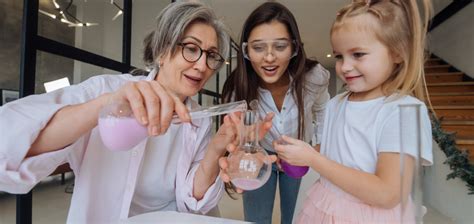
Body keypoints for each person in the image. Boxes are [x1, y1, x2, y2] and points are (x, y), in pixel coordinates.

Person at [0, 2, 240, 223]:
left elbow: (192, 201)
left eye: (211, 55)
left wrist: (217, 148)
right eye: (191, 48)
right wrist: (104, 107)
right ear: (161, 52)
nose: (201, 65)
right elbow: (7, 141)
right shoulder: (107, 91)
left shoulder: (198, 119)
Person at [273, 0, 434, 223]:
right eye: (339, 56)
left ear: (397, 53)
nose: (345, 66)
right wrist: (301, 155)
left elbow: (386, 194)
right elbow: (335, 150)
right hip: (324, 206)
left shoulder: (402, 111)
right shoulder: (336, 103)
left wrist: (314, 159)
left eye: (358, 54)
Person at [220, 2, 330, 224]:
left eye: (280, 46)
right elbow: (233, 137)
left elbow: (323, 114)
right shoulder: (237, 88)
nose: (269, 58)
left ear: (294, 47)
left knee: (298, 217)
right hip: (258, 158)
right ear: (246, 50)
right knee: (257, 219)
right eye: (258, 47)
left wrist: (316, 150)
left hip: (299, 155)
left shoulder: (314, 77)